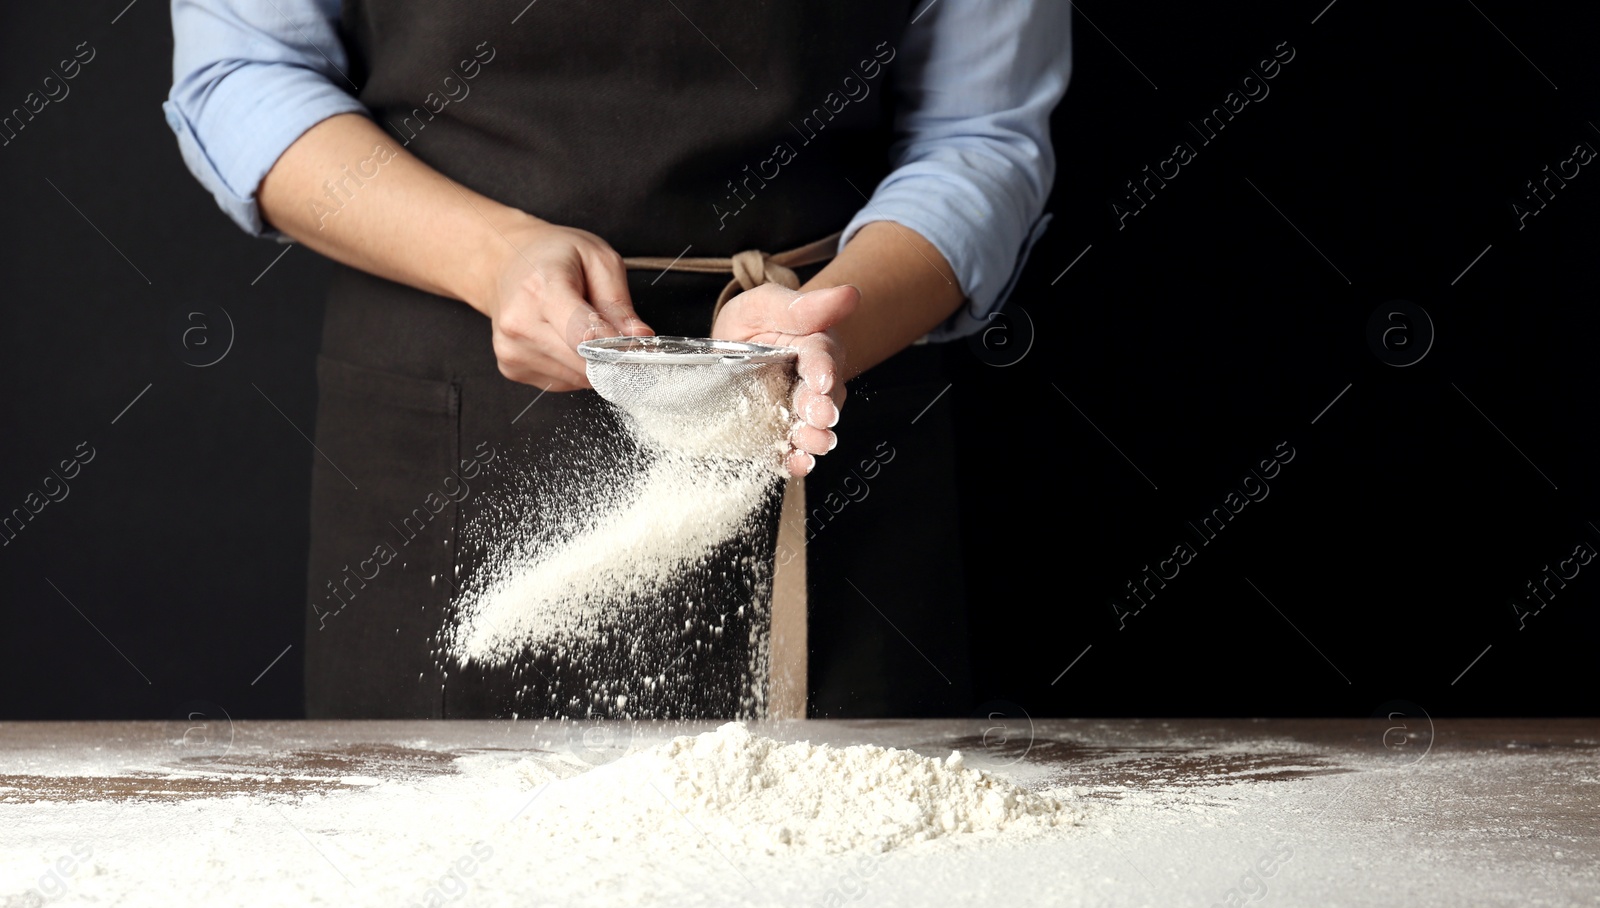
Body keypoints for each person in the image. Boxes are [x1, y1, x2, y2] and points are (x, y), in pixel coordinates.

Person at [165, 0, 1070, 718]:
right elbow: (243, 68)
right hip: (442, 433)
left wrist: (837, 319)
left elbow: (981, 130)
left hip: (829, 413)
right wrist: (492, 256)